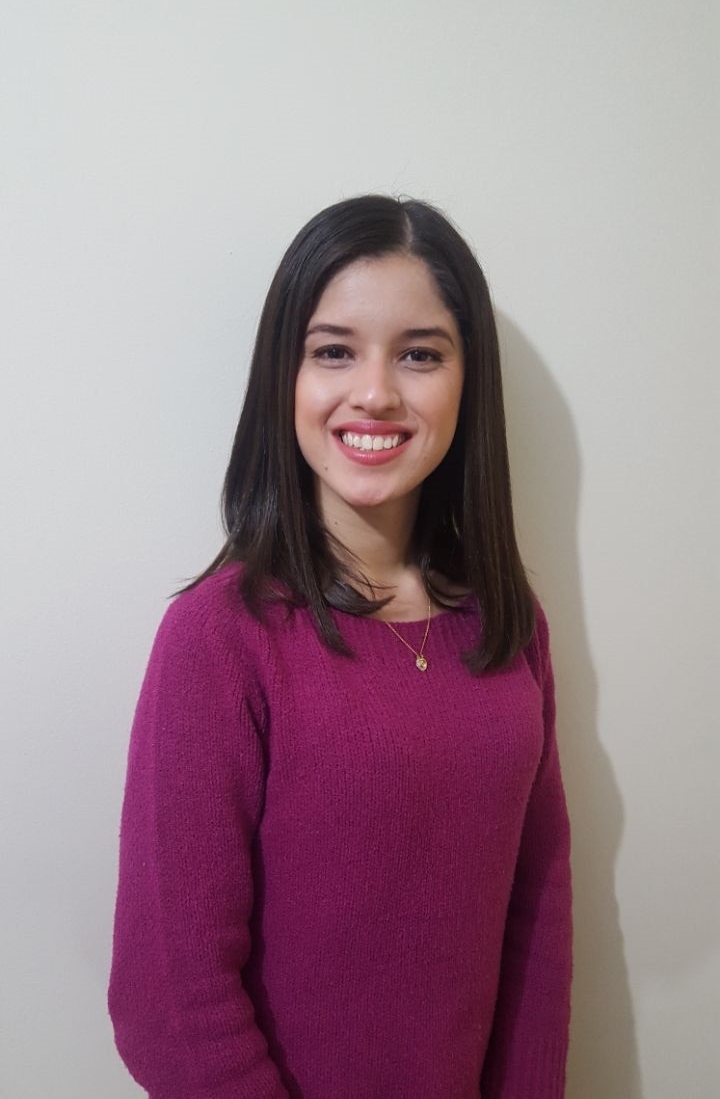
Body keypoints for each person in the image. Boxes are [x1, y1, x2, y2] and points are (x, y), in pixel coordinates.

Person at [107, 193, 573, 1098]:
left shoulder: (508, 624)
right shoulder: (220, 636)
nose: (375, 392)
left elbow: (538, 910)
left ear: (467, 381)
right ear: (283, 375)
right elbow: (169, 1000)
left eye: (420, 354)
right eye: (333, 351)